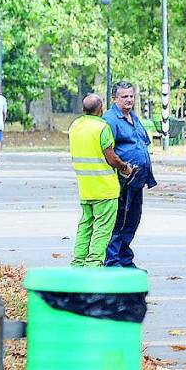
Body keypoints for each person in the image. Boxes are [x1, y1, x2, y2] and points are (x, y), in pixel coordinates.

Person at [70, 95, 133, 267]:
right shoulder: (101, 127)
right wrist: (124, 167)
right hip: (105, 188)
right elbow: (111, 158)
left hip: (86, 187)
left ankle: (78, 264)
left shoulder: (75, 126)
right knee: (102, 230)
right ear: (101, 109)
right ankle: (93, 265)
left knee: (85, 227)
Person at [103, 82, 157, 269]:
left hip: (138, 179)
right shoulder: (110, 119)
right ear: (114, 98)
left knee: (133, 220)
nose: (129, 100)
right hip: (122, 179)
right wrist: (123, 168)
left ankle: (125, 260)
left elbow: (142, 142)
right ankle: (112, 261)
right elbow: (106, 149)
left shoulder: (133, 117)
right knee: (119, 220)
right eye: (124, 96)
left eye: (131, 96)